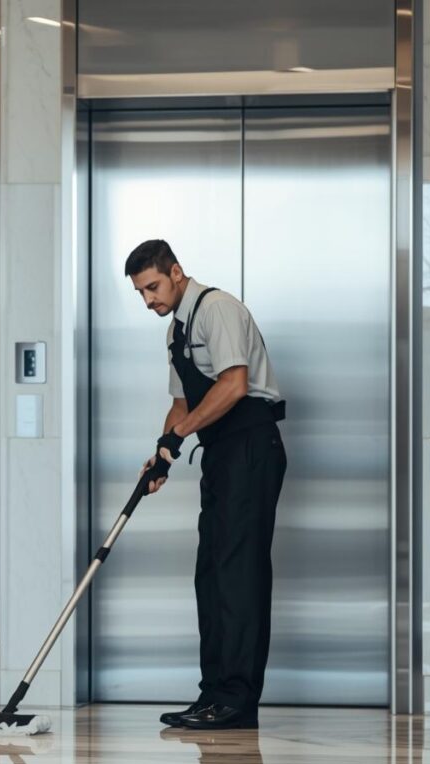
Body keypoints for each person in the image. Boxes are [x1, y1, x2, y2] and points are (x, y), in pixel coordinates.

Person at [127, 239, 286, 730]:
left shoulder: (217, 309)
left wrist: (180, 432)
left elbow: (234, 384)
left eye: (152, 286)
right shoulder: (176, 329)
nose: (148, 299)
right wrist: (162, 454)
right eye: (140, 292)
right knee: (212, 575)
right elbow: (181, 403)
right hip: (220, 454)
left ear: (176, 272)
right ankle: (213, 693)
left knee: (238, 576)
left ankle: (237, 700)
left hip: (251, 447)